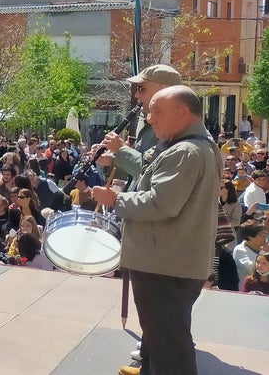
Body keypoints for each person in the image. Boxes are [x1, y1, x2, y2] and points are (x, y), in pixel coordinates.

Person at [91, 85, 222, 375]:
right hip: (173, 261)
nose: (151, 118)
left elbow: (160, 203)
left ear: (183, 112)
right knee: (162, 337)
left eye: (157, 111)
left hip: (165, 265)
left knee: (170, 347)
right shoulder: (196, 146)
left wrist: (115, 199)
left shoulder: (186, 151)